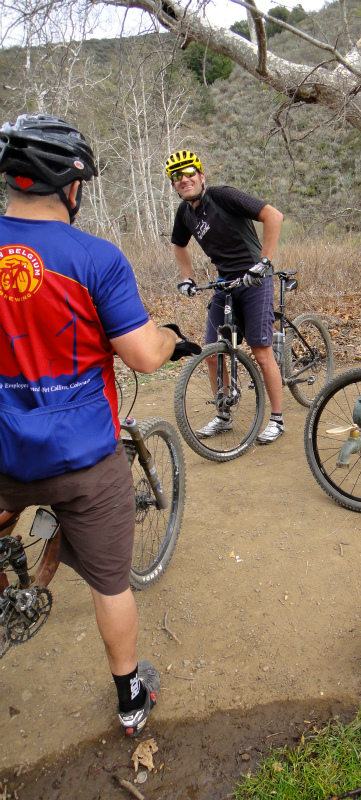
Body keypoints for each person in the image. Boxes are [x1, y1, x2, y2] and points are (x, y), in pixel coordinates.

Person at [0, 114, 193, 736]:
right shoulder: (95, 259)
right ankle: (131, 697)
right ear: (71, 186)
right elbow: (140, 354)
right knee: (111, 583)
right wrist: (168, 337)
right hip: (82, 458)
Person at [166, 149, 285, 444]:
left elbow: (273, 215)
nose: (184, 180)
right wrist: (187, 278)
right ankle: (223, 415)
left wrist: (265, 262)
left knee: (261, 352)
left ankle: (277, 419)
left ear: (201, 175)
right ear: (173, 185)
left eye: (189, 173)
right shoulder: (184, 213)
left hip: (255, 280)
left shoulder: (222, 196)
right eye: (177, 177)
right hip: (225, 283)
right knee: (212, 353)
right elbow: (179, 245)